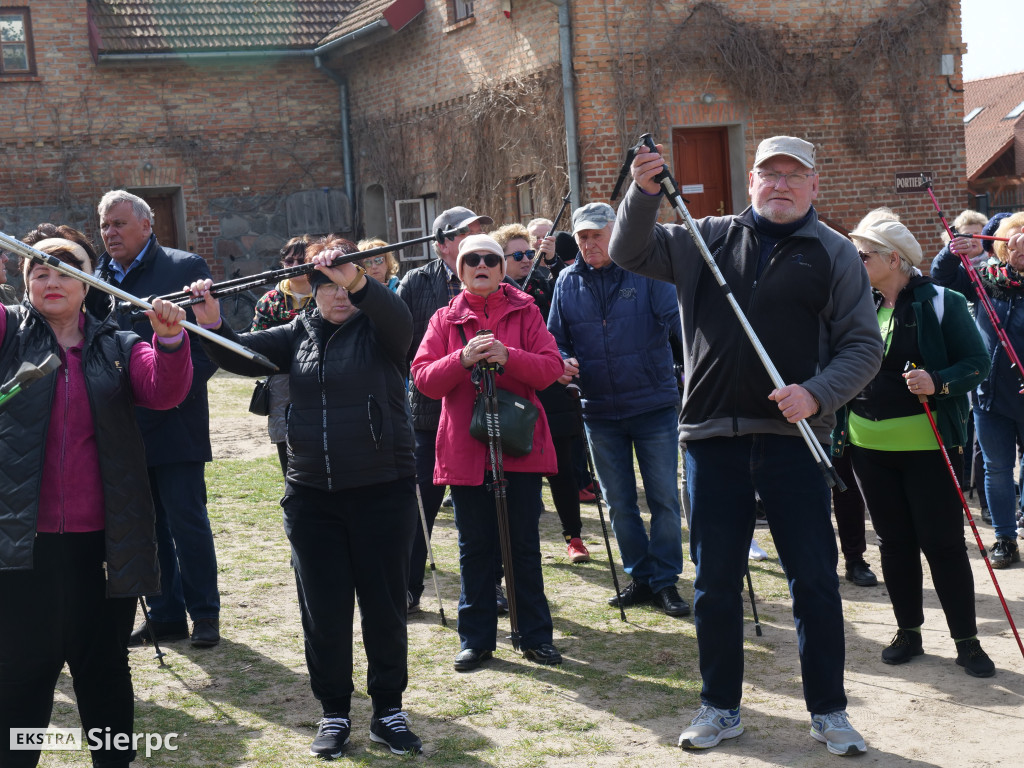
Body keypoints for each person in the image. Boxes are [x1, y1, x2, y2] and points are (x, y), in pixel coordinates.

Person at [613, 136, 882, 755]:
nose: (781, 184)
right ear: (751, 179)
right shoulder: (704, 236)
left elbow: (863, 347)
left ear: (815, 185)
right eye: (770, 174)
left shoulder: (835, 253)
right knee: (713, 583)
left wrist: (816, 394)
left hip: (795, 441)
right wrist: (644, 191)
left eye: (795, 175)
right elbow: (629, 250)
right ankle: (719, 707)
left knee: (813, 580)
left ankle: (830, 712)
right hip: (711, 438)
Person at [187, 237, 422, 757]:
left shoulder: (383, 330)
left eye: (346, 285)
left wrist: (355, 278)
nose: (337, 295)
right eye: (326, 286)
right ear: (310, 292)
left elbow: (399, 319)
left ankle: (389, 710)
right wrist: (208, 321)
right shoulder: (298, 333)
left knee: (384, 608)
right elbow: (242, 356)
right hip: (312, 498)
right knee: (324, 610)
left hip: (383, 492)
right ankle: (334, 712)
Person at [0, 236, 192, 768]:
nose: (52, 280)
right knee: (20, 673)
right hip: (20, 544)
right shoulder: (5, 333)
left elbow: (164, 391)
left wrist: (171, 340)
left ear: (92, 280)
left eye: (67, 269)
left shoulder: (119, 344)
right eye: (39, 270)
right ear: (24, 281)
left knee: (104, 670)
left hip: (105, 543)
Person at [842, 212, 994, 677]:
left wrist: (938, 382)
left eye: (862, 254)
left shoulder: (943, 301)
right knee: (893, 543)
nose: (855, 260)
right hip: (867, 444)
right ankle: (908, 630)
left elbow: (977, 363)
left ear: (893, 259)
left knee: (943, 543)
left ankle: (967, 641)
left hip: (930, 447)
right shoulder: (853, 304)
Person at [412, 233, 565, 671]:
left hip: (517, 447)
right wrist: (461, 359)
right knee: (474, 547)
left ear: (501, 269)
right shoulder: (444, 319)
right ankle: (476, 639)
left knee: (523, 545)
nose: (482, 265)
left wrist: (507, 355)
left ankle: (534, 636)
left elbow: (551, 367)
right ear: (459, 270)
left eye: (491, 260)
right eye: (472, 260)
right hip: (465, 449)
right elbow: (423, 378)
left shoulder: (526, 310)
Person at [91, 190, 222, 649]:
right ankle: (165, 615)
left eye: (119, 224)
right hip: (125, 424)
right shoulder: (97, 279)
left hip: (177, 420)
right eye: (105, 226)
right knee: (146, 524)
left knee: (187, 519)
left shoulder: (184, 269)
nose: (110, 234)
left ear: (147, 225)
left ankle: (205, 613)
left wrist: (172, 387)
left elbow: (207, 347)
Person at [548, 202, 688, 617]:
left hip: (654, 405)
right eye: (583, 237)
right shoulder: (566, 282)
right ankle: (640, 577)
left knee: (663, 498)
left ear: (616, 233)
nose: (590, 243)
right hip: (599, 410)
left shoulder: (647, 272)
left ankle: (665, 580)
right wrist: (561, 360)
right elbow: (555, 339)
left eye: (597, 235)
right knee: (618, 502)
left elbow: (680, 325)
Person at [397, 206, 494, 615]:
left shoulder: (492, 279)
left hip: (484, 415)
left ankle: (491, 587)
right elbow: (397, 344)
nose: (477, 248)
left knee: (484, 514)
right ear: (441, 244)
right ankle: (407, 585)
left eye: (480, 235)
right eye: (465, 236)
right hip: (428, 416)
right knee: (420, 509)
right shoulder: (416, 284)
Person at [932, 211, 1024, 569]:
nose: (1017, 249)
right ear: (1000, 247)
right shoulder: (983, 278)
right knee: (997, 468)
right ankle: (1004, 538)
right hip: (990, 395)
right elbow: (940, 279)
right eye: (1011, 241)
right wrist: (954, 251)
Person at [493, 223, 589, 563]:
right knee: (518, 471)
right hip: (515, 393)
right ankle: (518, 545)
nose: (525, 259)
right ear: (500, 261)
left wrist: (555, 263)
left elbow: (563, 324)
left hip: (553, 386)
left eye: (529, 253)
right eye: (517, 255)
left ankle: (574, 536)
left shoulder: (544, 284)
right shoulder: (495, 293)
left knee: (563, 466)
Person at [251, 236, 315, 476]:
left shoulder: (327, 294)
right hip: (281, 377)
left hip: (320, 375)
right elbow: (257, 338)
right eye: (289, 261)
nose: (295, 265)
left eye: (302, 260)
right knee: (284, 435)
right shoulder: (270, 301)